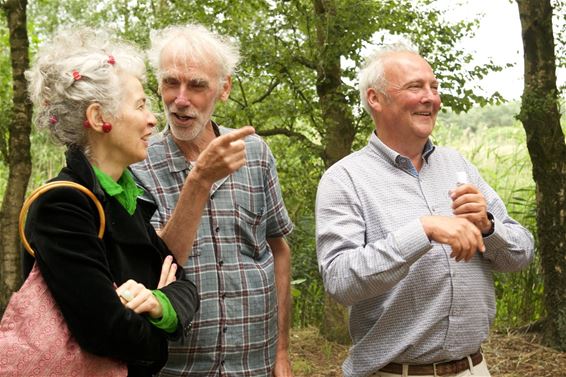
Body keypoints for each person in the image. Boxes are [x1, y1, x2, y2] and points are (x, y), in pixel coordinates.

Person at [22, 28, 247, 377]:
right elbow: (108, 331)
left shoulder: (127, 198)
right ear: (99, 118)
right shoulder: (62, 206)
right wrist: (160, 335)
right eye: (141, 105)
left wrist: (157, 302)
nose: (153, 118)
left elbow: (183, 285)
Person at [315, 41, 535, 377]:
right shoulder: (344, 179)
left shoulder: (458, 165)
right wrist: (423, 230)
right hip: (392, 372)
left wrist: (489, 227)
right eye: (415, 87)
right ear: (375, 98)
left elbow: (519, 256)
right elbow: (341, 281)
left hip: (474, 369)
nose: (430, 98)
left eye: (434, 87)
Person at [130, 24, 294, 377]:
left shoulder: (255, 153)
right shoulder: (136, 162)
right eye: (171, 82)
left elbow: (277, 249)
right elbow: (149, 265)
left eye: (197, 85)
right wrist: (199, 179)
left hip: (255, 364)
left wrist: (281, 354)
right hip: (176, 367)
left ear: (224, 88)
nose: (181, 98)